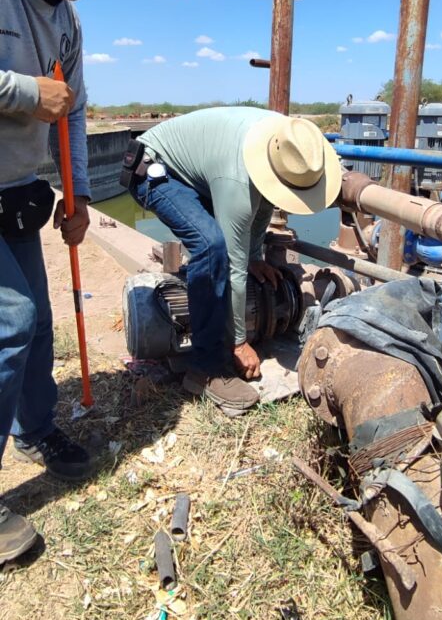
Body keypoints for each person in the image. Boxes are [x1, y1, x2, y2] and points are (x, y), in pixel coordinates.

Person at [0, 0, 157, 563]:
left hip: (16, 195)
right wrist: (30, 94)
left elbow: (78, 108)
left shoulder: (64, 15)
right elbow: (51, 100)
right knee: (13, 322)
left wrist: (81, 195)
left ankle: (35, 425)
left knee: (33, 330)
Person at [127, 106, 341, 417]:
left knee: (222, 253)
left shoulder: (285, 143)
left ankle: (203, 306)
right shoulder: (238, 176)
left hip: (198, 170)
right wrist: (238, 342)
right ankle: (207, 368)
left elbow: (266, 199)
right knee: (211, 247)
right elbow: (234, 267)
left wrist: (254, 257)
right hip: (154, 170)